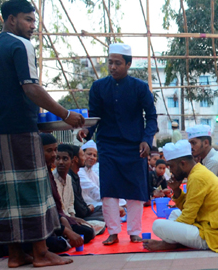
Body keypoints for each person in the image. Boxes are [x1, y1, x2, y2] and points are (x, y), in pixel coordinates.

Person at [0, 0, 85, 268]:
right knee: (33, 190)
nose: (31, 26)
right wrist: (65, 114)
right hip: (20, 130)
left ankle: (16, 255)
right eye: (28, 20)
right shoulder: (21, 45)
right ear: (11, 19)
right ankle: (40, 253)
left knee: (7, 194)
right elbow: (31, 88)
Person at [77, 43, 157, 246]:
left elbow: (152, 117)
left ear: (128, 64)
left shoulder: (140, 88)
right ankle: (113, 231)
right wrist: (86, 131)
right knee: (109, 189)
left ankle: (135, 231)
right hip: (108, 145)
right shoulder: (98, 87)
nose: (112, 67)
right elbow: (94, 117)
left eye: (117, 63)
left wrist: (146, 140)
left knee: (135, 190)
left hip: (134, 147)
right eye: (110, 62)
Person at [144, 140, 218, 252]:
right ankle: (173, 243)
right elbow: (188, 208)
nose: (171, 171)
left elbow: (188, 217)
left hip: (214, 236)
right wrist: (176, 190)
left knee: (158, 225)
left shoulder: (197, 177)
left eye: (171, 167)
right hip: (208, 226)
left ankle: (170, 244)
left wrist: (171, 234)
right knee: (174, 213)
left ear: (183, 163)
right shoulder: (197, 172)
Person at [42, 136, 93, 251]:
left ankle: (66, 238)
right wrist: (66, 223)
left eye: (65, 159)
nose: (59, 160)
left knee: (89, 231)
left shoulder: (69, 178)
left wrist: (73, 218)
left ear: (71, 161)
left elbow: (70, 204)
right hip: (54, 223)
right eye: (50, 151)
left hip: (64, 219)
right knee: (59, 243)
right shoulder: (49, 177)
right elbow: (53, 211)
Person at [187, 124, 218, 205]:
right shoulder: (208, 159)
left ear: (206, 143)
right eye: (190, 144)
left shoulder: (213, 162)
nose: (191, 147)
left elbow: (198, 193)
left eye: (194, 143)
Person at [58, 143, 102, 222]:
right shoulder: (73, 175)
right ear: (75, 159)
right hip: (77, 214)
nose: (87, 158)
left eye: (94, 155)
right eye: (84, 155)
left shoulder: (73, 176)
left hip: (83, 210)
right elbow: (77, 208)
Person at [78, 141, 101, 210]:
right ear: (82, 155)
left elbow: (102, 187)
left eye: (94, 155)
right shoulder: (79, 171)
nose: (92, 157)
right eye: (89, 154)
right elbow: (93, 190)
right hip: (86, 206)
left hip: (95, 203)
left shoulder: (91, 172)